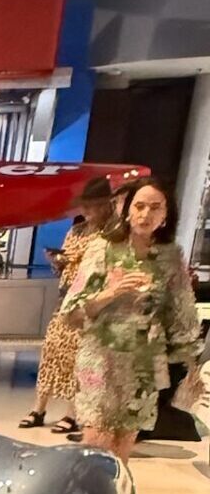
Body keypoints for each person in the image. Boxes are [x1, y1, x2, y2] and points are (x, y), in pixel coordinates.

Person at [61, 177, 199, 460]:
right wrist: (111, 292)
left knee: (123, 445)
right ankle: (91, 489)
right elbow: (72, 309)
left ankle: (117, 489)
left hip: (143, 364)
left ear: (165, 215)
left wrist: (191, 366)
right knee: (96, 443)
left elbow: (181, 314)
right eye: (139, 206)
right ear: (127, 210)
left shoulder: (170, 257)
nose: (145, 214)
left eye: (155, 208)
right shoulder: (103, 248)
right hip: (101, 357)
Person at [21, 176, 115, 435]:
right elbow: (63, 266)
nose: (87, 210)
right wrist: (59, 261)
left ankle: (71, 413)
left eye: (92, 205)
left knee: (78, 357)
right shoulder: (76, 231)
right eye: (85, 205)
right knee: (52, 351)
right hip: (66, 299)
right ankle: (39, 408)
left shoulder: (110, 235)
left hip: (90, 300)